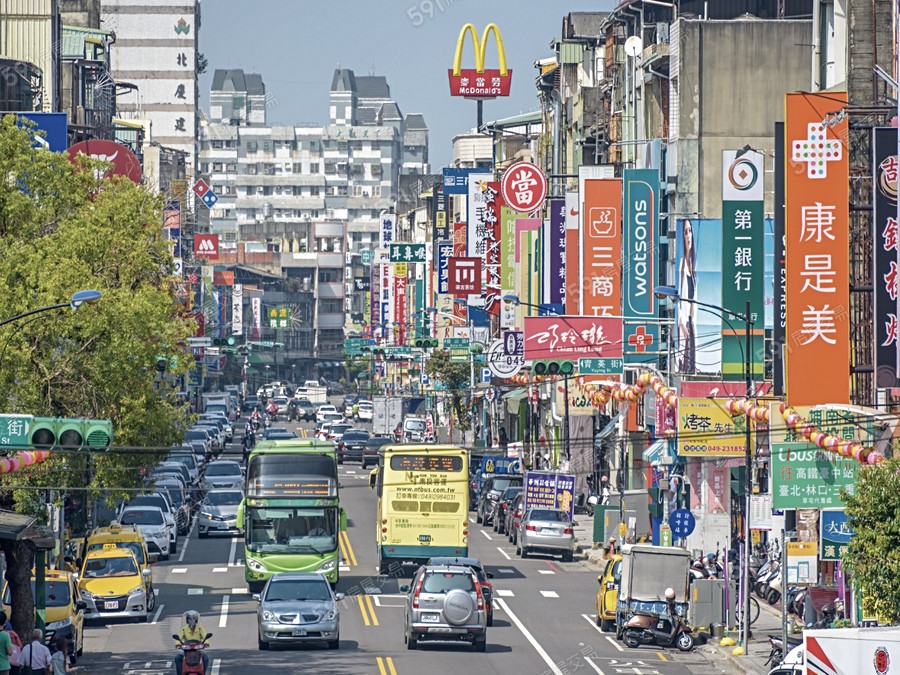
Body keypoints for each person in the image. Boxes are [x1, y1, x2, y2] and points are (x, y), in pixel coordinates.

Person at [677, 219, 698, 374]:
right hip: (684, 321)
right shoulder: (681, 264)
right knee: (682, 358)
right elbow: (677, 296)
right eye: (685, 232)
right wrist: (680, 321)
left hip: (692, 321)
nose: (688, 235)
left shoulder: (694, 267)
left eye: (690, 231)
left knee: (692, 355)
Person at [174, 611, 209, 675]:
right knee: (178, 658)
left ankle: (203, 673)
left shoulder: (200, 629)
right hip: (187, 651)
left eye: (193, 619)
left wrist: (206, 643)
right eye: (189, 619)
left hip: (198, 650)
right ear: (187, 620)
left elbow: (205, 636)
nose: (191, 620)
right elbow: (179, 638)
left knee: (205, 658)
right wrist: (178, 644)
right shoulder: (184, 629)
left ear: (196, 620)